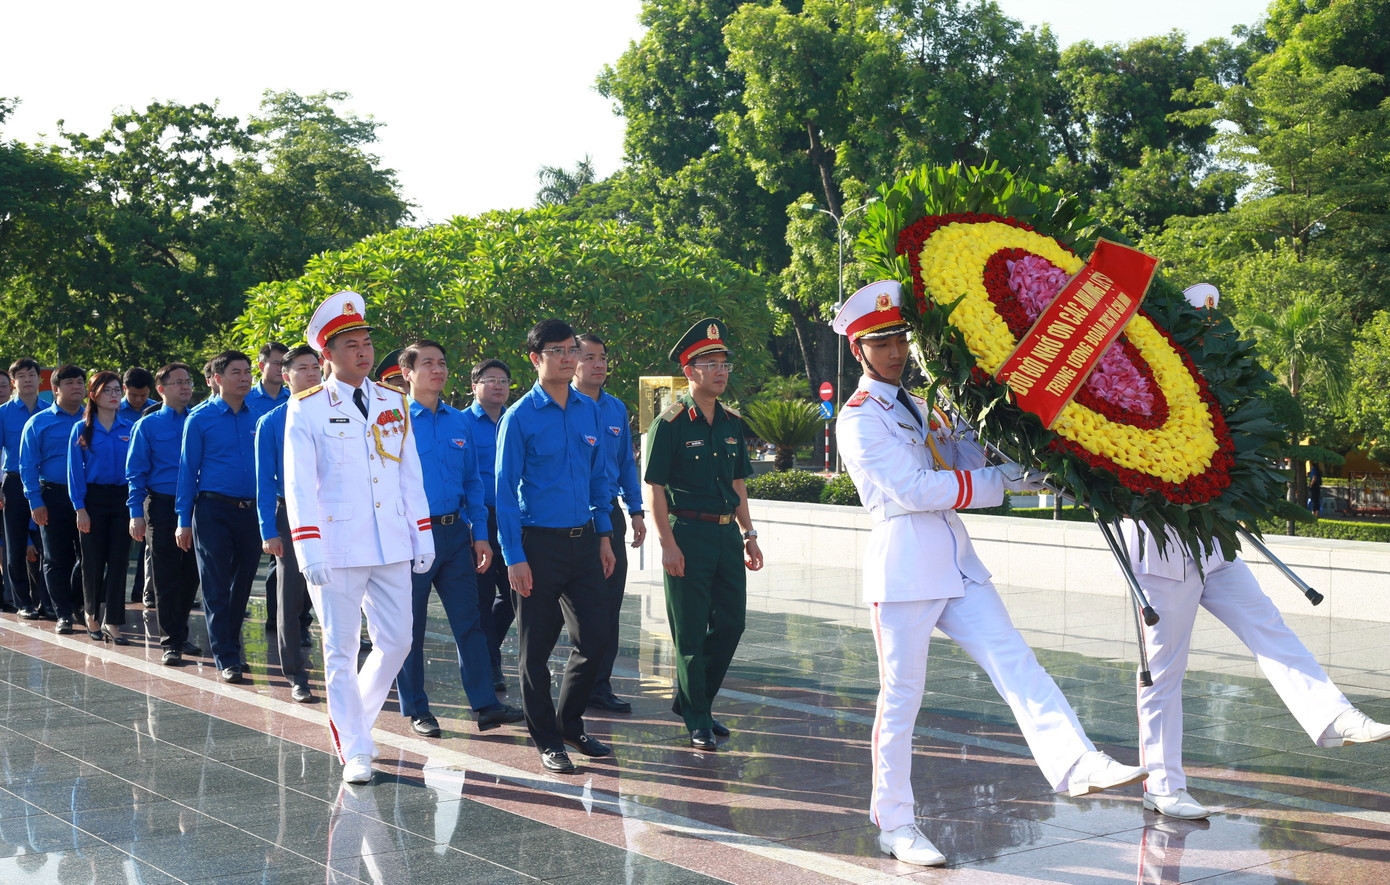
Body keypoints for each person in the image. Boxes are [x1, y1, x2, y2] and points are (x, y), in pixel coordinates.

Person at [831, 281, 1149, 867]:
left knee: (1015, 660)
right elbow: (915, 489)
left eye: (900, 337)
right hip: (904, 565)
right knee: (901, 698)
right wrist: (1001, 483)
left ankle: (1077, 761)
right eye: (881, 342)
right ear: (859, 351)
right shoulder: (857, 420)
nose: (896, 350)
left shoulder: (920, 405)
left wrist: (1031, 464)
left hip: (956, 559)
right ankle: (894, 821)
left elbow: (966, 460)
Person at [1123, 521, 1390, 820]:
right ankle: (1163, 786)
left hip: (1213, 543)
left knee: (1267, 624)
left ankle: (1333, 716)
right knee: (1164, 669)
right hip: (1160, 553)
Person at [284, 290, 434, 785]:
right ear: (327, 354)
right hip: (337, 544)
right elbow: (300, 484)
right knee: (340, 649)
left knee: (397, 641)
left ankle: (354, 727)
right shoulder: (306, 408)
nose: (364, 351)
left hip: (391, 539)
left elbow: (408, 472)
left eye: (367, 341)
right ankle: (356, 748)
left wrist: (422, 532)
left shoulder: (394, 400)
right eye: (351, 344)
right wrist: (307, 548)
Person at [495, 319, 617, 774]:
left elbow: (599, 478)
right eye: (557, 351)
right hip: (537, 545)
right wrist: (515, 557)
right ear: (536, 358)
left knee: (596, 638)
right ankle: (547, 739)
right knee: (536, 648)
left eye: (572, 350)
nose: (568, 358)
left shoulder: (589, 410)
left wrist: (604, 535)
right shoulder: (520, 416)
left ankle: (569, 722)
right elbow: (505, 493)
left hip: (584, 541)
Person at [644, 318, 764, 752]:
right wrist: (667, 544)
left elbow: (738, 484)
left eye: (724, 364)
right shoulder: (671, 423)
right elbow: (654, 487)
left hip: (726, 535)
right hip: (687, 533)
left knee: (732, 624)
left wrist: (749, 533)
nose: (720, 371)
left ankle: (694, 700)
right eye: (710, 363)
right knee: (690, 631)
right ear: (690, 371)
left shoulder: (732, 422)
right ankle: (698, 717)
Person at [394, 339, 524, 736]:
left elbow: (472, 481)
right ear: (407, 373)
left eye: (442, 363)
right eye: (428, 363)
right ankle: (417, 707)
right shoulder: (392, 419)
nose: (438, 369)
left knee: (470, 622)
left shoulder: (458, 421)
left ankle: (485, 704)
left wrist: (480, 535)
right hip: (411, 536)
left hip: (456, 534)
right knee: (409, 627)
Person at [176, 350, 261, 683]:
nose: (244, 377)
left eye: (247, 371)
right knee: (215, 585)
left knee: (242, 585)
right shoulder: (199, 418)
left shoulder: (260, 416)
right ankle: (225, 656)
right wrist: (183, 520)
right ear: (216, 379)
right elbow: (187, 471)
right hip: (212, 509)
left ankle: (232, 646)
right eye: (236, 372)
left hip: (251, 510)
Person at [572, 333, 646, 713]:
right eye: (590, 357)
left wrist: (636, 510)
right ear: (572, 360)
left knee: (609, 601)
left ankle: (599, 684)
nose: (598, 365)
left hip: (610, 513)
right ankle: (574, 685)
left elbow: (625, 465)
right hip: (569, 517)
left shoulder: (616, 409)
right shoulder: (565, 406)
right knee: (573, 608)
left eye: (603, 358)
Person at [256, 345, 324, 702]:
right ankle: (296, 674)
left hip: (334, 512)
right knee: (290, 594)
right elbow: (264, 482)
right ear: (286, 376)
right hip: (291, 514)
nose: (312, 373)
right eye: (303, 368)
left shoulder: (337, 412)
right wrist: (269, 530)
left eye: (316, 366)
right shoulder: (272, 422)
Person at [127, 363, 201, 665]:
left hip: (199, 506)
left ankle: (181, 632)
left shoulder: (200, 420)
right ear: (162, 389)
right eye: (177, 383)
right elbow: (135, 472)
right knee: (167, 574)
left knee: (192, 575)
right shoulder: (148, 425)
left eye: (188, 382)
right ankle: (171, 641)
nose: (185, 388)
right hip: (162, 505)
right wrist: (136, 512)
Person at [20, 364, 88, 635]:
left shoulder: (93, 419)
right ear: (55, 389)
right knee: (56, 558)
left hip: (87, 498)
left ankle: (80, 605)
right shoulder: (39, 422)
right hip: (53, 495)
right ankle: (63, 613)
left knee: (87, 556)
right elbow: (27, 466)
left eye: (80, 382)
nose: (77, 387)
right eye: (70, 382)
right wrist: (35, 501)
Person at [69, 371, 135, 644]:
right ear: (94, 395)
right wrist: (80, 508)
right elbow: (74, 472)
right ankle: (91, 615)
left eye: (118, 390)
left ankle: (113, 620)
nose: (114, 395)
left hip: (121, 500)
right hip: (92, 500)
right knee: (93, 562)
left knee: (119, 562)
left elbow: (135, 470)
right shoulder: (81, 429)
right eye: (108, 390)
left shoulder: (129, 428)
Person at [462, 358, 514, 691]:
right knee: (481, 597)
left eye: (504, 380)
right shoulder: (461, 423)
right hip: (478, 518)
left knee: (514, 594)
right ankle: (490, 667)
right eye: (490, 379)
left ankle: (488, 650)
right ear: (474, 385)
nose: (498, 385)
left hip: (512, 517)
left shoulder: (517, 419)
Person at [1, 358, 49, 619]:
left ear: (39, 379)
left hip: (44, 483)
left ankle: (46, 600)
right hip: (15, 481)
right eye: (22, 375)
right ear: (13, 382)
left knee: (48, 544)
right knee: (16, 543)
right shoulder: (3, 413)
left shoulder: (48, 410)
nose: (28, 379)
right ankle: (23, 602)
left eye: (32, 375)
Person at [121, 366, 158, 608]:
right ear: (125, 389)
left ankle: (144, 591)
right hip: (118, 485)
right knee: (120, 545)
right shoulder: (113, 407)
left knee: (148, 542)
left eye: (143, 395)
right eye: (134, 395)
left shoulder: (155, 410)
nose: (138, 400)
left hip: (147, 486)